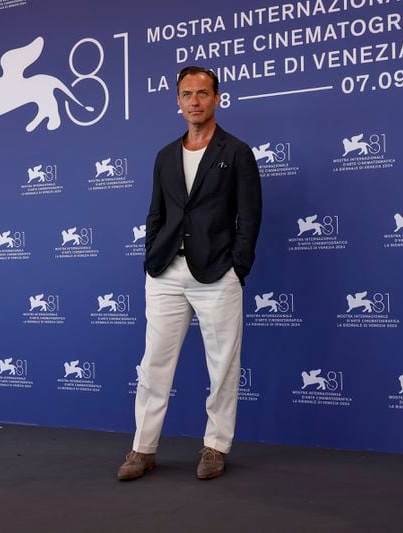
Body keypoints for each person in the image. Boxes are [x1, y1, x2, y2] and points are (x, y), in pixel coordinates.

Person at [117, 66, 262, 481]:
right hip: (165, 272)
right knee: (153, 366)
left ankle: (215, 446)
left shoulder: (236, 152)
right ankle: (142, 449)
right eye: (186, 94)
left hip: (217, 273)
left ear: (217, 98)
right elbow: (156, 214)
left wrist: (238, 268)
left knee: (223, 367)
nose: (194, 101)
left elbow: (249, 218)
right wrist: (151, 257)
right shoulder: (165, 155)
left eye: (202, 93)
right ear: (177, 101)